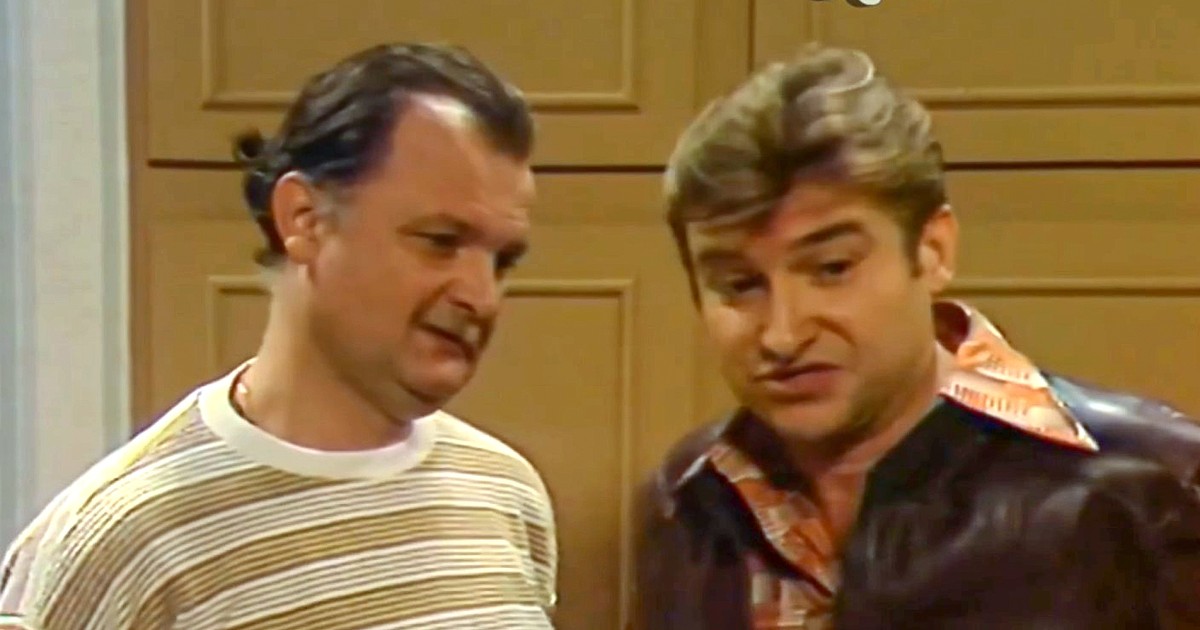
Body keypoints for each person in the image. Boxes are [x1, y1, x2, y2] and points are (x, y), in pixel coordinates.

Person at [634, 43, 1200, 629]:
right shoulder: (689, 498)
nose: (783, 334)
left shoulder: (1156, 486)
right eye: (740, 285)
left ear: (932, 251)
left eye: (832, 268)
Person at [0, 42, 557, 629]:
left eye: (502, 262)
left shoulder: (505, 493)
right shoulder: (123, 541)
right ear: (304, 220)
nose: (481, 297)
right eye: (441, 242)